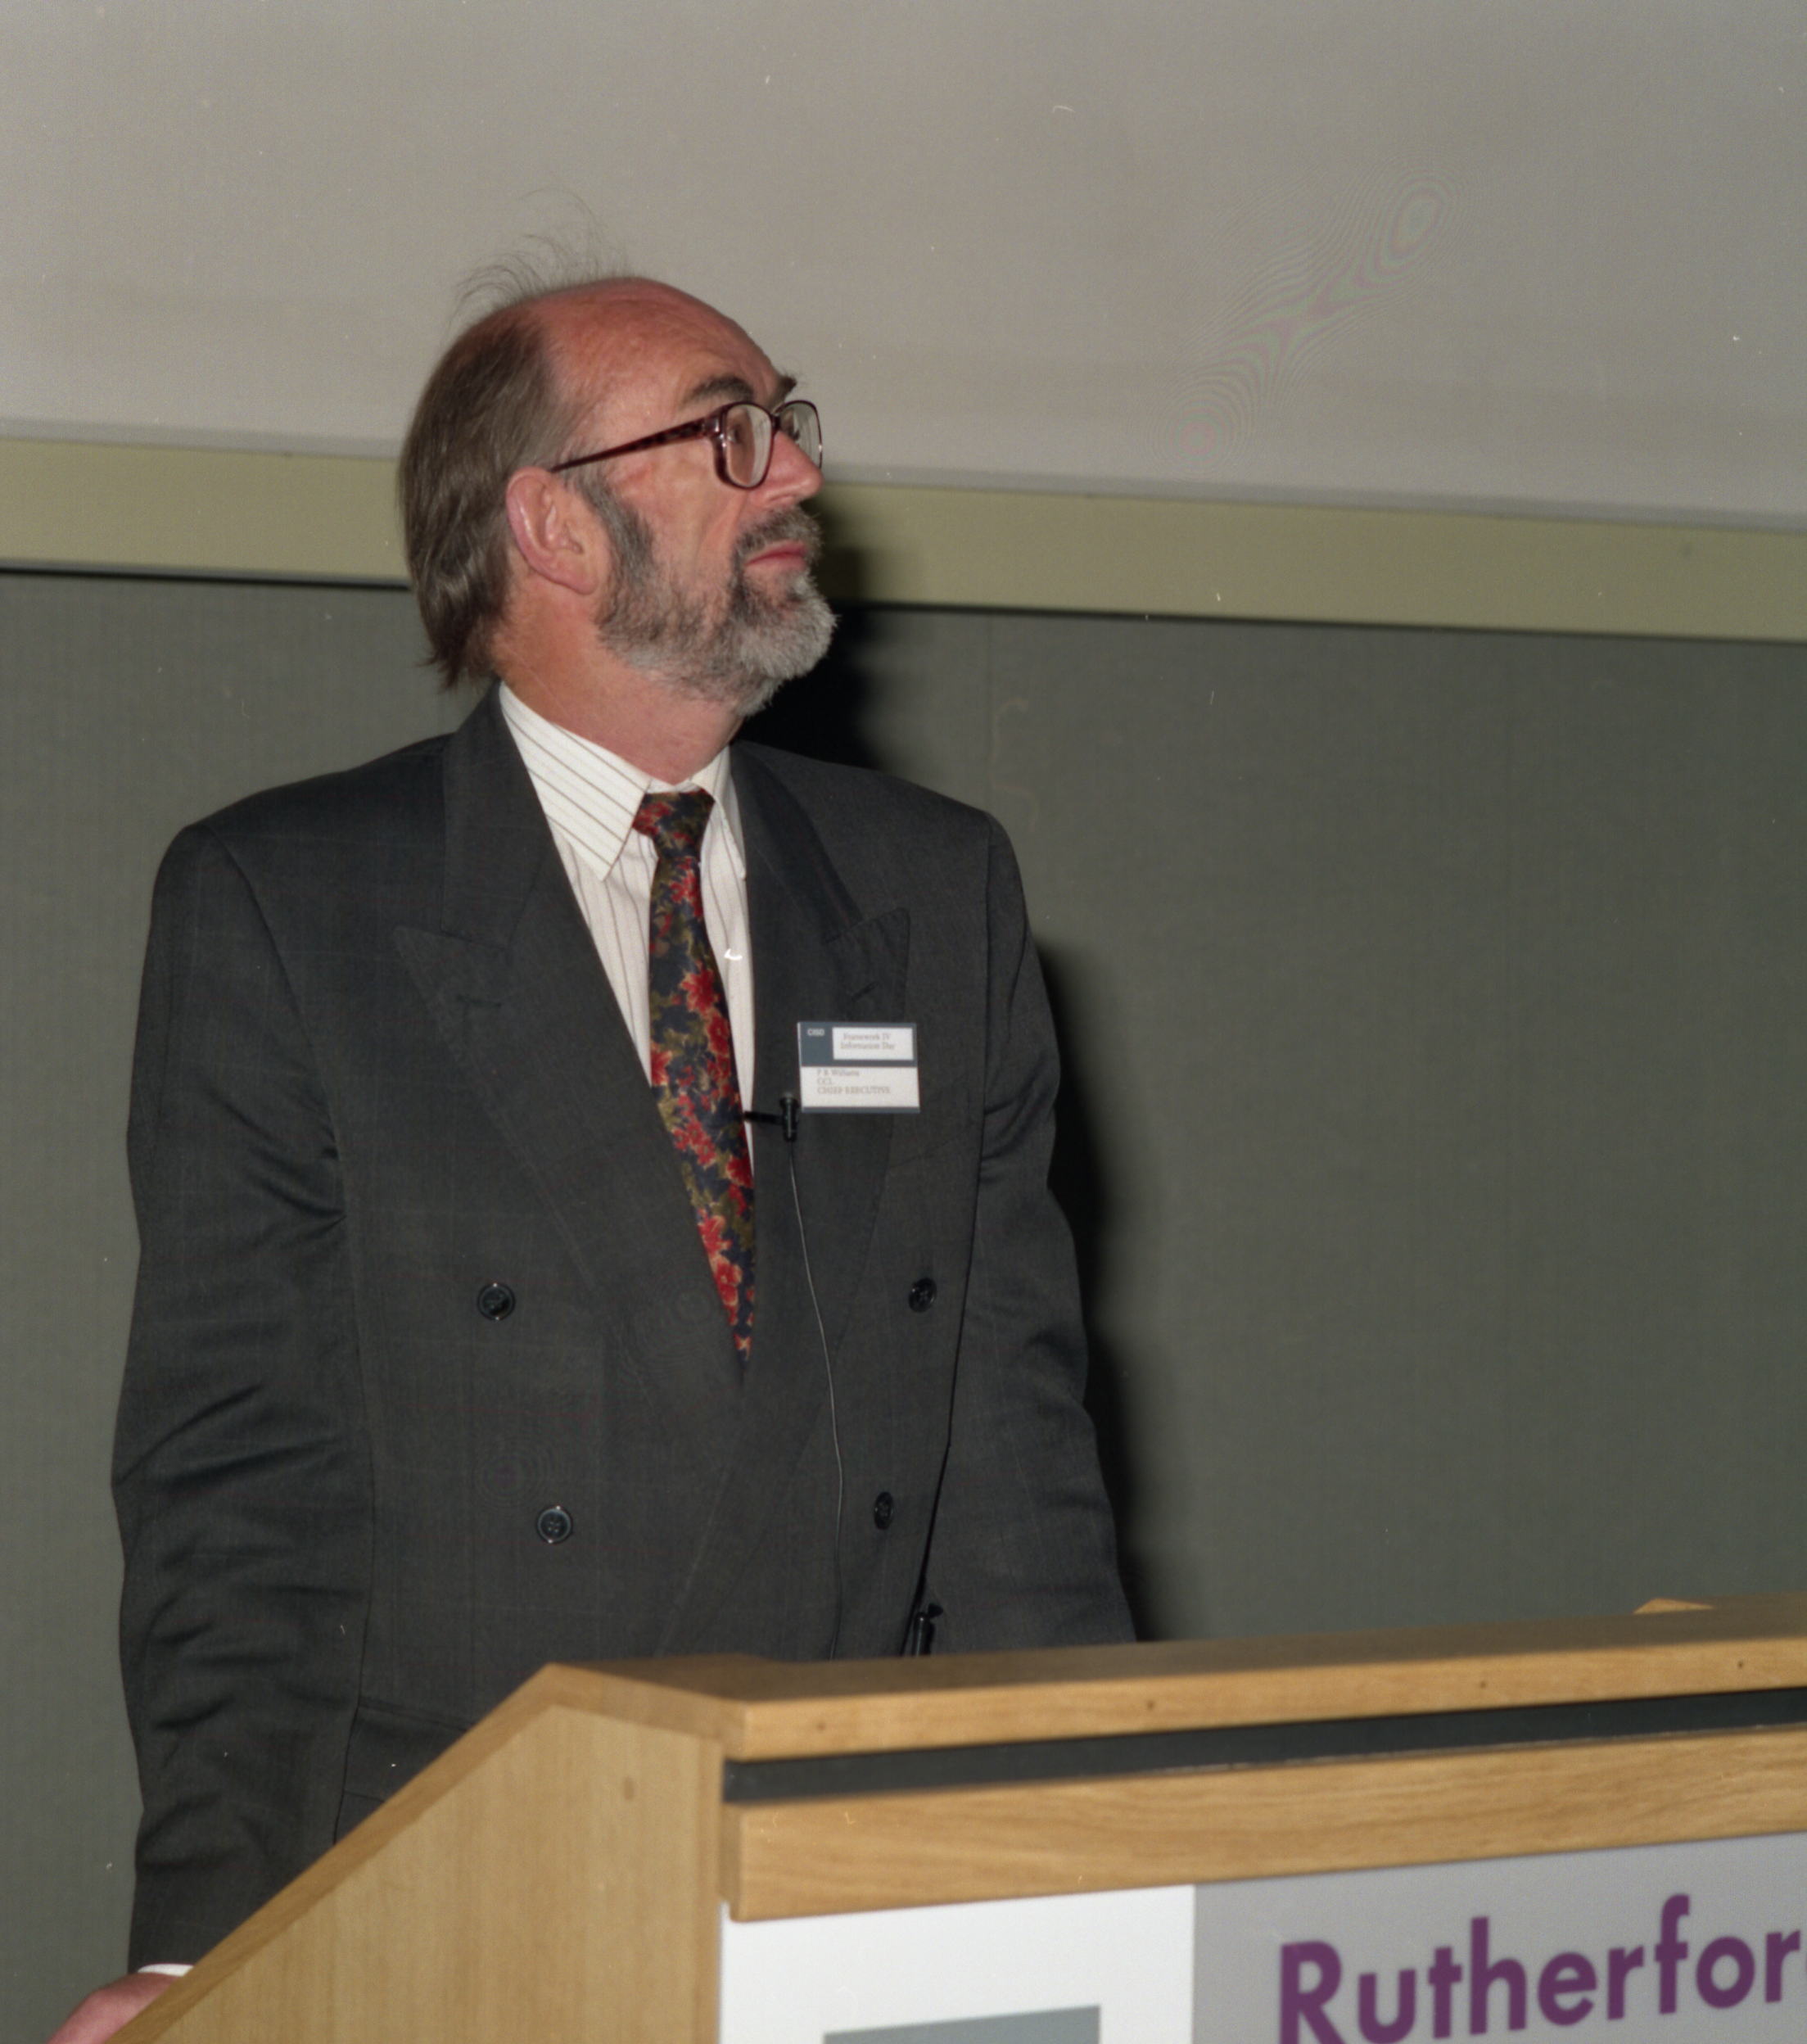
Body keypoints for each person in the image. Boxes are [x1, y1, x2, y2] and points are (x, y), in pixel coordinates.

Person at [50, 273, 1130, 2042]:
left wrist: (1104, 1861)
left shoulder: (938, 891)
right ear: (550, 524)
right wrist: (208, 1951)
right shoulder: (293, 903)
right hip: (457, 1893)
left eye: (789, 423)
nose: (796, 474)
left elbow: (1012, 1463)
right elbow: (240, 1489)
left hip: (857, 1883)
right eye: (730, 431)